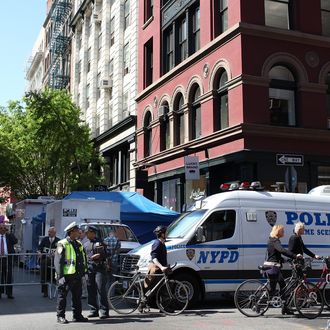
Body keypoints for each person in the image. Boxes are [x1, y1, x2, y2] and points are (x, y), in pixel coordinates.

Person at [54, 222, 88, 324]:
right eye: (77, 230)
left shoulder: (79, 243)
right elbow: (58, 261)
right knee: (62, 296)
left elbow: (82, 259)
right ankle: (60, 316)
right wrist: (60, 276)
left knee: (77, 296)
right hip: (66, 275)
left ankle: (77, 315)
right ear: (72, 232)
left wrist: (84, 272)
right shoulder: (62, 243)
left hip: (76, 274)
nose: (79, 232)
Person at [265, 224, 299, 315]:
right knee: (273, 289)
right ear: (278, 231)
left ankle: (285, 308)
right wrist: (294, 256)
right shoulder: (275, 241)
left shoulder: (271, 240)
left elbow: (274, 255)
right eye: (282, 231)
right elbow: (282, 250)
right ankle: (257, 304)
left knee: (282, 286)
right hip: (273, 267)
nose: (283, 232)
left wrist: (286, 260)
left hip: (273, 266)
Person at [84, 225, 109, 319]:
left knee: (100, 289)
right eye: (85, 233)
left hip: (100, 268)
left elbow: (107, 254)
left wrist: (100, 255)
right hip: (89, 268)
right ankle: (93, 310)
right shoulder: (85, 244)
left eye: (87, 233)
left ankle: (104, 311)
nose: (86, 234)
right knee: (90, 289)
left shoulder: (101, 242)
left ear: (93, 233)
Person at [144, 225, 168, 290]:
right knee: (152, 291)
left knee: (159, 290)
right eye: (166, 232)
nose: (167, 234)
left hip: (160, 271)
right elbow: (154, 258)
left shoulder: (162, 243)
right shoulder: (157, 243)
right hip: (156, 271)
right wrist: (161, 267)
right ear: (162, 234)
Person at [37, 226, 60, 297]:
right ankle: (45, 291)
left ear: (55, 233)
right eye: (49, 232)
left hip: (54, 260)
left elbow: (61, 250)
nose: (49, 233)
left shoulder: (59, 241)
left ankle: (57, 287)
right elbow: (39, 248)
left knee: (54, 275)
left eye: (51, 232)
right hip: (45, 259)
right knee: (44, 273)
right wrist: (39, 253)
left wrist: (55, 253)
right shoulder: (44, 240)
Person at [0, 223, 17, 299]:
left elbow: (15, 241)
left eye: (4, 228)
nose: (3, 229)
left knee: (9, 276)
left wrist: (9, 233)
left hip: (8, 259)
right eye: (1, 228)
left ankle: (9, 293)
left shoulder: (9, 236)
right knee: (0, 277)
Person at [78, 228, 88, 299]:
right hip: (80, 263)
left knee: (85, 279)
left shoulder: (86, 241)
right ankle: (83, 292)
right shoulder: (79, 240)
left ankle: (85, 293)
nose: (79, 234)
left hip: (85, 263)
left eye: (81, 233)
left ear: (84, 233)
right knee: (82, 279)